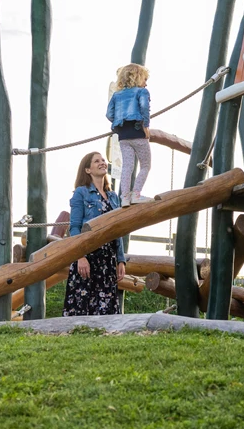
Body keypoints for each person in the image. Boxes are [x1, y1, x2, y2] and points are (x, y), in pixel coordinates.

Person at [64, 151, 127, 316]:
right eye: (96, 161)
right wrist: (80, 256)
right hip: (88, 256)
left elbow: (118, 230)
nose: (102, 163)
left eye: (103, 160)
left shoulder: (113, 197)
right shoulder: (81, 193)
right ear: (87, 170)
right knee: (82, 308)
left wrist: (121, 260)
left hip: (108, 259)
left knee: (107, 311)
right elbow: (75, 227)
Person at [106, 63, 153, 206]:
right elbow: (144, 108)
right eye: (145, 79)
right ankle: (136, 194)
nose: (145, 84)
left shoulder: (117, 95)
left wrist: (118, 122)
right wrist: (146, 127)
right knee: (145, 165)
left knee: (127, 166)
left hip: (123, 135)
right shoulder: (141, 92)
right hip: (137, 131)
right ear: (137, 78)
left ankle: (124, 197)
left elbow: (109, 114)